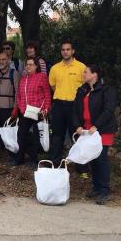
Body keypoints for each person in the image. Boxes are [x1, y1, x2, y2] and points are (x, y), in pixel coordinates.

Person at [73, 65, 117, 205]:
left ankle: (104, 191)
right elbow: (76, 110)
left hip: (102, 130)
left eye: (86, 72)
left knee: (101, 159)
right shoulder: (82, 90)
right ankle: (96, 188)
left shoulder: (107, 90)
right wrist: (78, 126)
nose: (83, 74)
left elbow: (108, 110)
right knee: (92, 159)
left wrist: (96, 125)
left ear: (94, 75)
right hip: (88, 131)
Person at [48, 41, 87, 176]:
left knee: (77, 136)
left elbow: (85, 86)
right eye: (63, 50)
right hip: (58, 105)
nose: (65, 52)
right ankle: (56, 165)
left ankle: (81, 169)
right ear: (61, 52)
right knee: (57, 136)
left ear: (73, 51)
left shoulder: (81, 67)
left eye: (68, 49)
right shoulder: (55, 68)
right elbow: (53, 87)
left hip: (74, 107)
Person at [13, 57, 51, 169]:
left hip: (38, 112)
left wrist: (46, 109)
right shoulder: (23, 79)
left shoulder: (42, 77)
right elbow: (19, 95)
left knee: (35, 136)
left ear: (36, 66)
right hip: (25, 112)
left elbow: (47, 94)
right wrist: (20, 107)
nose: (28, 66)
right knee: (21, 135)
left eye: (31, 64)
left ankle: (33, 160)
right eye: (27, 64)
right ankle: (20, 158)